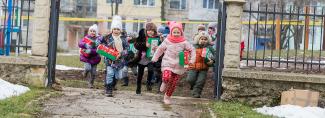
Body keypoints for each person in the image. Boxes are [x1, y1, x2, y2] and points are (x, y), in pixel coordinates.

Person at [152, 21, 196, 104]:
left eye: (178, 32)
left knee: (173, 83)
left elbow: (192, 50)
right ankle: (164, 82)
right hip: (167, 62)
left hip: (179, 64)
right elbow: (160, 49)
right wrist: (155, 57)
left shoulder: (184, 42)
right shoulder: (167, 40)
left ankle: (167, 97)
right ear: (171, 32)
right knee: (166, 77)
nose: (176, 34)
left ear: (181, 33)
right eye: (174, 32)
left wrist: (191, 60)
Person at [100, 16, 129, 97]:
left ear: (120, 30)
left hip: (119, 61)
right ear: (112, 29)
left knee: (118, 76)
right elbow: (100, 44)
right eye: (114, 29)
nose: (116, 31)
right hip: (109, 60)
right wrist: (103, 49)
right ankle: (108, 89)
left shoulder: (123, 39)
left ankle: (112, 85)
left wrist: (122, 53)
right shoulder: (107, 38)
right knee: (110, 74)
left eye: (118, 29)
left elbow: (127, 49)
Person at [186, 31, 215, 98]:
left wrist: (212, 60)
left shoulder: (209, 48)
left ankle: (196, 93)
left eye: (205, 39)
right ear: (198, 39)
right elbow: (187, 54)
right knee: (190, 79)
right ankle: (193, 86)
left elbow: (214, 55)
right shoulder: (193, 47)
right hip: (193, 67)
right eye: (202, 39)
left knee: (200, 81)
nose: (203, 41)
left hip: (203, 68)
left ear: (208, 40)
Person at [134, 22, 160, 95]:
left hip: (151, 58)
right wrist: (144, 45)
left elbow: (161, 46)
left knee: (151, 70)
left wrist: (158, 47)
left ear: (154, 31)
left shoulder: (157, 38)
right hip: (142, 59)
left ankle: (149, 83)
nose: (150, 32)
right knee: (140, 74)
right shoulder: (142, 37)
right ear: (146, 31)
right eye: (148, 30)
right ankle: (138, 88)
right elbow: (136, 45)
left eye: (152, 30)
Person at [78, 24, 101, 89]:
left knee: (93, 73)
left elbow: (98, 50)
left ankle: (91, 83)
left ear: (96, 33)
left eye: (94, 31)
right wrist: (85, 45)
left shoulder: (98, 40)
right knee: (88, 68)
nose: (92, 32)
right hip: (87, 58)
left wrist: (91, 51)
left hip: (95, 58)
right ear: (89, 32)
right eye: (91, 31)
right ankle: (85, 72)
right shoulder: (86, 38)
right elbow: (80, 43)